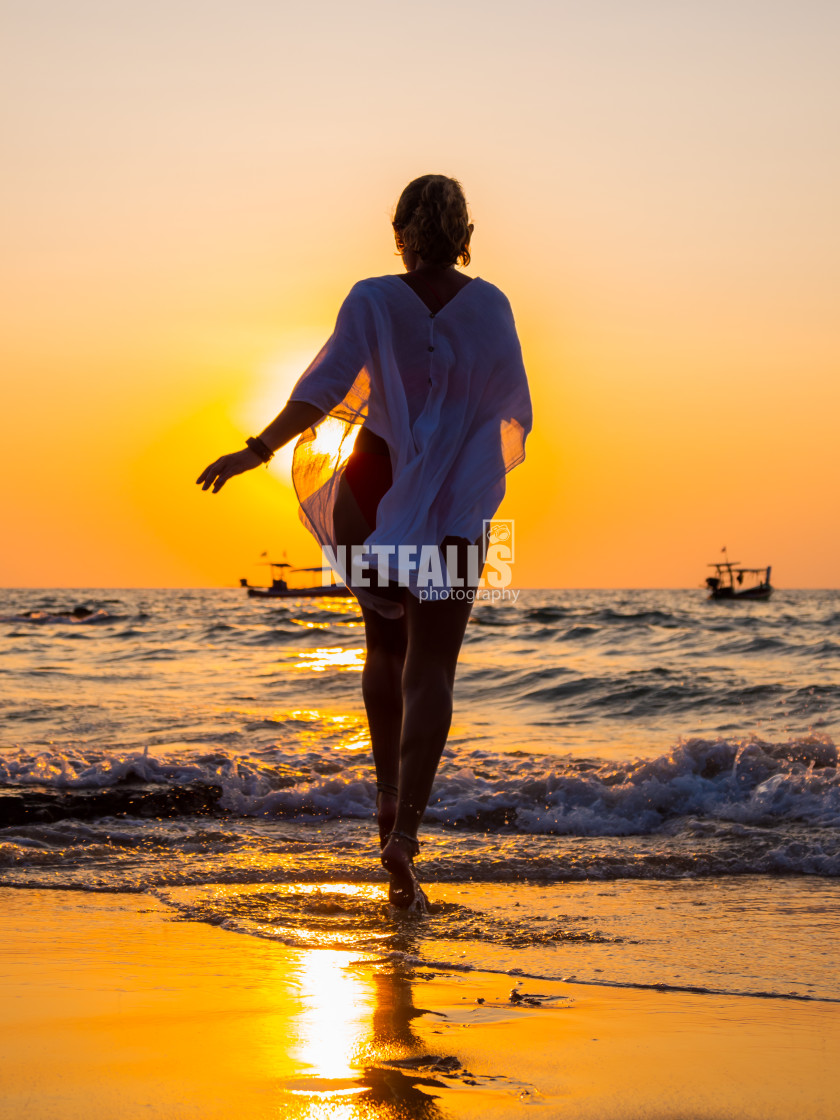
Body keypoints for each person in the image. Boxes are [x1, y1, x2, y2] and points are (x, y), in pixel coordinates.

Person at [197, 174, 531, 909]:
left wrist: (255, 451)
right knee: (433, 667)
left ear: (400, 231)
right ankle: (405, 834)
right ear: (466, 231)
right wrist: (453, 473)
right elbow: (512, 412)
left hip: (371, 485)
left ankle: (383, 795)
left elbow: (320, 390)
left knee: (384, 648)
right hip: (454, 507)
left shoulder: (372, 296)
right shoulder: (494, 305)